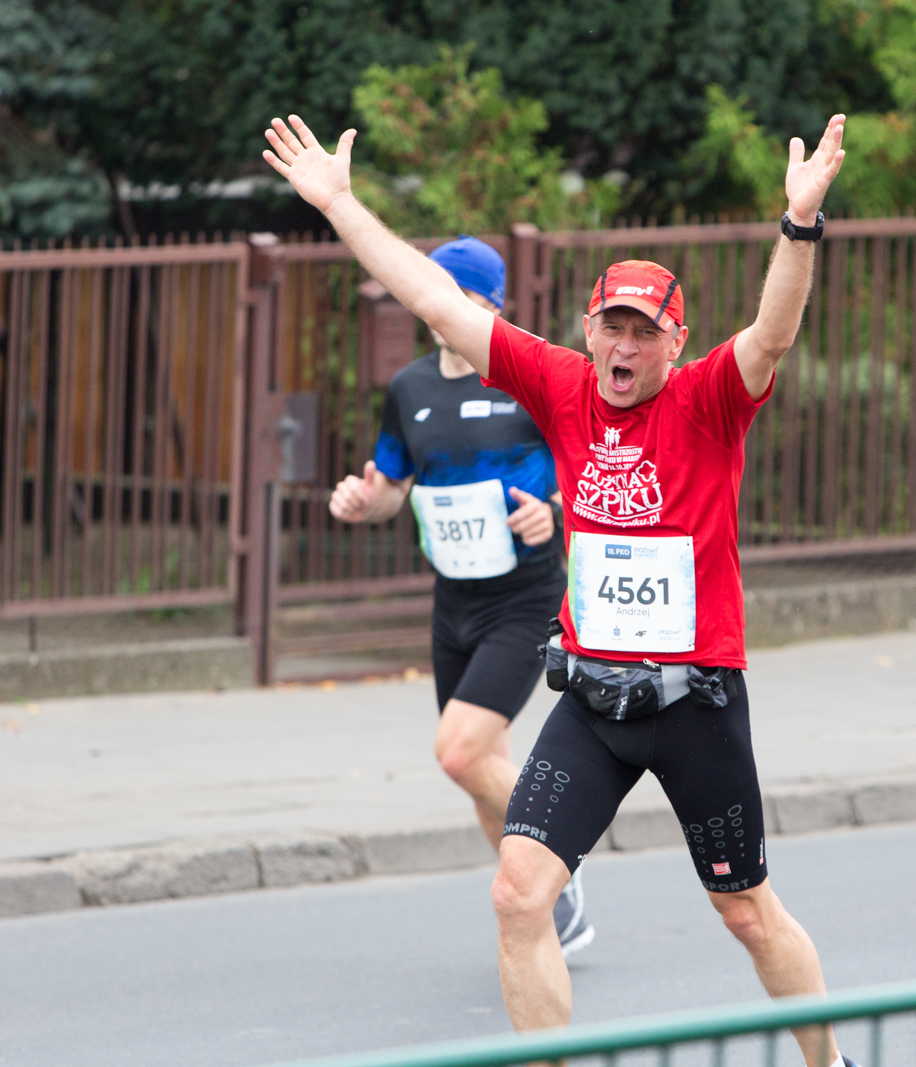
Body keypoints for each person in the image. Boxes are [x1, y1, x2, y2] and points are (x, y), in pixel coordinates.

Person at [265, 110, 857, 1067]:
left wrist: (797, 227)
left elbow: (775, 332)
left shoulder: (708, 400)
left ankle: (830, 1064)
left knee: (746, 910)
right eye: (611, 328)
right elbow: (439, 300)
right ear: (589, 329)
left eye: (644, 333)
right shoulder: (560, 384)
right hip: (591, 697)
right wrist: (340, 205)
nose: (624, 349)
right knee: (517, 893)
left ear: (675, 341)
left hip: (695, 697)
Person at [327, 236, 592, 958]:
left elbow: (590, 462)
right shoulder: (410, 388)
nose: (440, 305)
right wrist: (361, 499)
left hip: (526, 597)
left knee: (458, 752)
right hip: (455, 603)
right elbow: (390, 485)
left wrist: (556, 510)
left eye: (459, 294)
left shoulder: (528, 379)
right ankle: (543, 904)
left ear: (490, 304)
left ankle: (563, 854)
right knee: (482, 768)